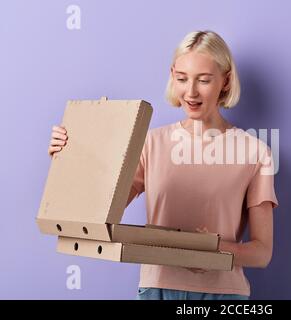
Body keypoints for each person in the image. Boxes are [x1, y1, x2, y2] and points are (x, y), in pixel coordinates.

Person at [48, 30, 278, 300]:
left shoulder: (255, 151)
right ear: (172, 75)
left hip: (224, 294)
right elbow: (98, 212)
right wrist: (69, 160)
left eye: (203, 80)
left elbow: (262, 253)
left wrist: (211, 251)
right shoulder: (150, 144)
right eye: (182, 79)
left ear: (225, 81)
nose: (190, 92)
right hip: (157, 289)